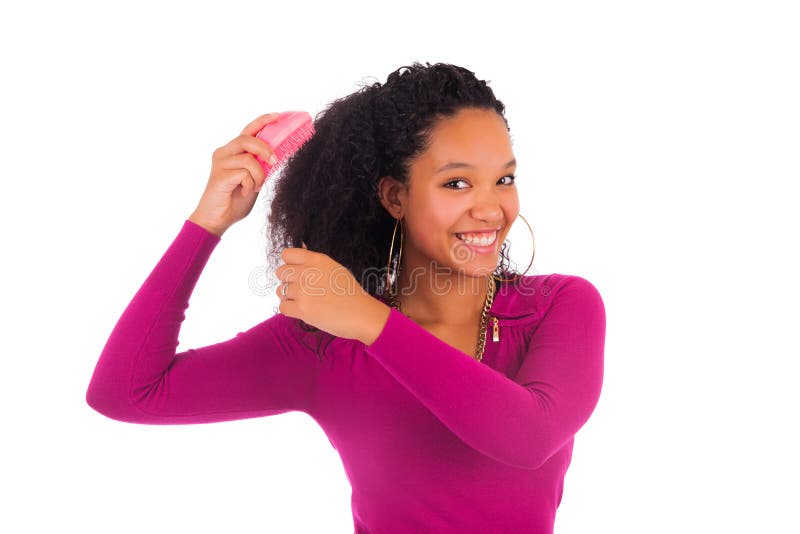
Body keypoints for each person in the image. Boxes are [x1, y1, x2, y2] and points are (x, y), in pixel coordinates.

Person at [85, 62, 606, 534]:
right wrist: (207, 224)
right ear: (394, 197)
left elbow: (528, 439)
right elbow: (126, 392)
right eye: (457, 184)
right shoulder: (326, 343)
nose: (491, 209)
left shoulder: (559, 307)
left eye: (504, 179)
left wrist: (370, 319)